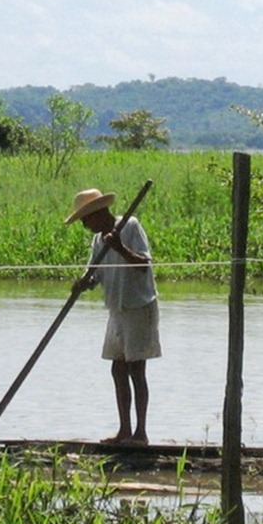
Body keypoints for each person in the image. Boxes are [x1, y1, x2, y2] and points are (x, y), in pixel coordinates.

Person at [66, 188, 161, 445]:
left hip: (138, 307)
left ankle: (141, 433)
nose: (85, 225)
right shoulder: (98, 241)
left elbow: (144, 265)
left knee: (136, 369)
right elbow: (94, 275)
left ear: (98, 213)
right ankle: (124, 431)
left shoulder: (129, 227)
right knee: (118, 369)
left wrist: (119, 247)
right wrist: (84, 283)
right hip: (116, 311)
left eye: (86, 220)